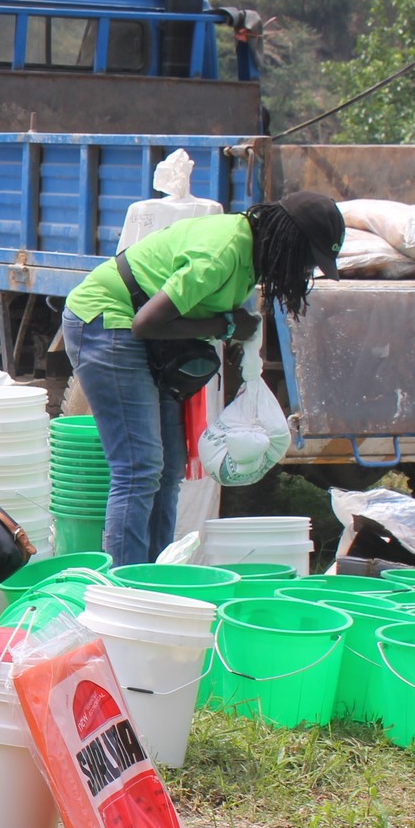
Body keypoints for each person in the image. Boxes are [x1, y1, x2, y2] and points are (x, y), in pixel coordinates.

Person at [61, 193, 344, 568]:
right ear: (287, 240)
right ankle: (125, 588)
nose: (305, 271)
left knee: (168, 468)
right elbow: (146, 322)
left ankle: (155, 575)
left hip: (143, 334)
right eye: (308, 259)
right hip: (105, 321)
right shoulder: (222, 253)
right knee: (140, 466)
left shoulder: (252, 255)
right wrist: (226, 326)